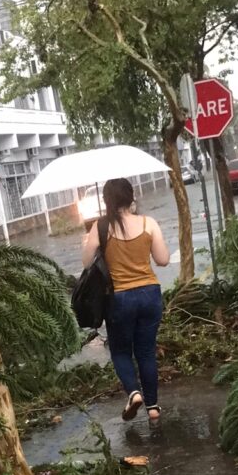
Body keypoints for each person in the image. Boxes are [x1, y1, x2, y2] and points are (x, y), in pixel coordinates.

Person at [82, 178, 170, 422]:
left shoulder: (101, 226)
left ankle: (133, 392)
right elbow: (163, 260)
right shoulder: (148, 223)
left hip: (119, 298)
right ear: (131, 198)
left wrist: (89, 243)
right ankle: (153, 407)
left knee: (121, 351)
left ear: (106, 201)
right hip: (150, 294)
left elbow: (87, 264)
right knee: (146, 352)